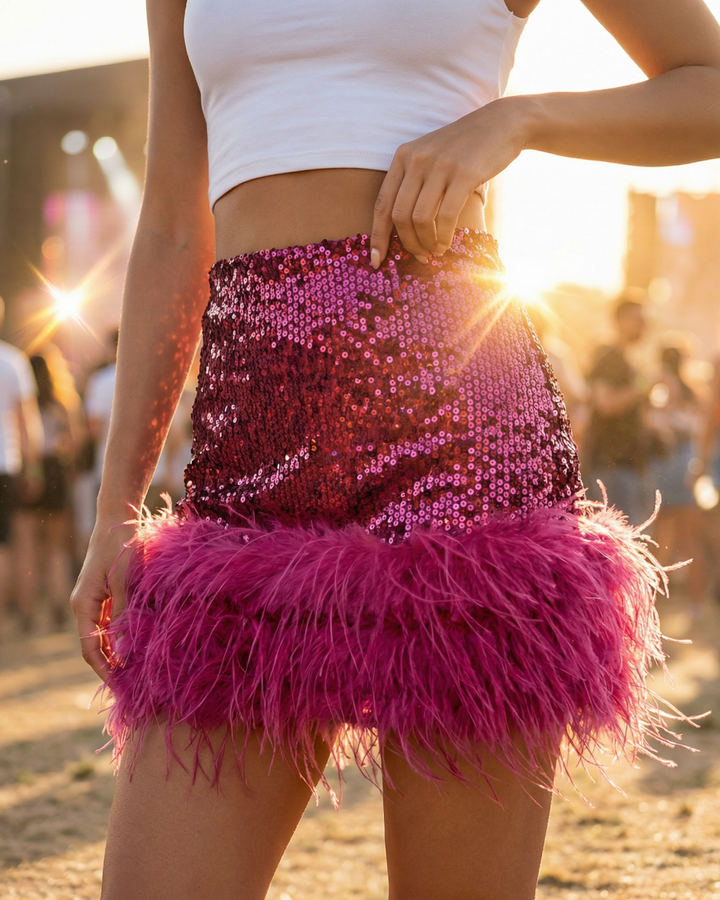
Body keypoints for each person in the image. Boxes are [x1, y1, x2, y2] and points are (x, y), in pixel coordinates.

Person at [70, 2, 720, 897]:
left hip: (461, 447)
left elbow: (707, 87)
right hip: (249, 457)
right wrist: (115, 507)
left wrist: (516, 120)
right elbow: (175, 230)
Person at [14, 354, 76, 631]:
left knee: (25, 545)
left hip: (27, 470)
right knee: (55, 546)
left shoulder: (21, 405)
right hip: (55, 473)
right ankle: (58, 604)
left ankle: (25, 611)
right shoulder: (61, 405)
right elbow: (73, 444)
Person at [584, 293, 653, 526]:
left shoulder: (629, 361)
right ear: (621, 320)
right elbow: (605, 403)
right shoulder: (609, 358)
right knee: (611, 541)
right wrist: (641, 389)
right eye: (638, 319)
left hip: (628, 466)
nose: (644, 325)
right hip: (611, 467)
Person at [0, 297, 43, 637]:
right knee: (15, 542)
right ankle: (24, 612)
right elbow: (28, 424)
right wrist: (34, 470)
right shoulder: (13, 361)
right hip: (7, 464)